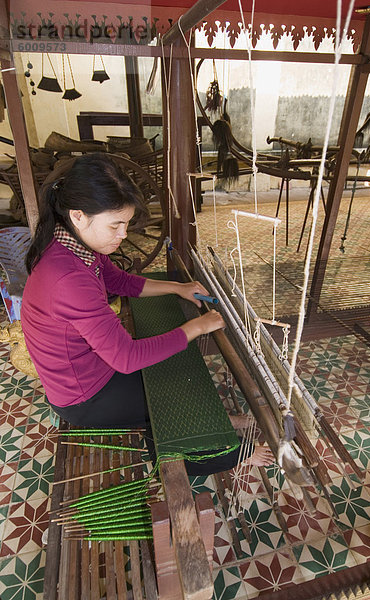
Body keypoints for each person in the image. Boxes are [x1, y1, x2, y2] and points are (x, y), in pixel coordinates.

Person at [21, 153, 273, 474]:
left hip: (91, 372)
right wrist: (197, 326)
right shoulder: (68, 278)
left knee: (177, 374)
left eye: (125, 224)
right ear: (79, 216)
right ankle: (235, 455)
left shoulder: (71, 246)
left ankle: (220, 420)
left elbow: (119, 281)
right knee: (177, 396)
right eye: (116, 224)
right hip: (85, 398)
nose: (123, 234)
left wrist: (177, 288)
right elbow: (126, 358)